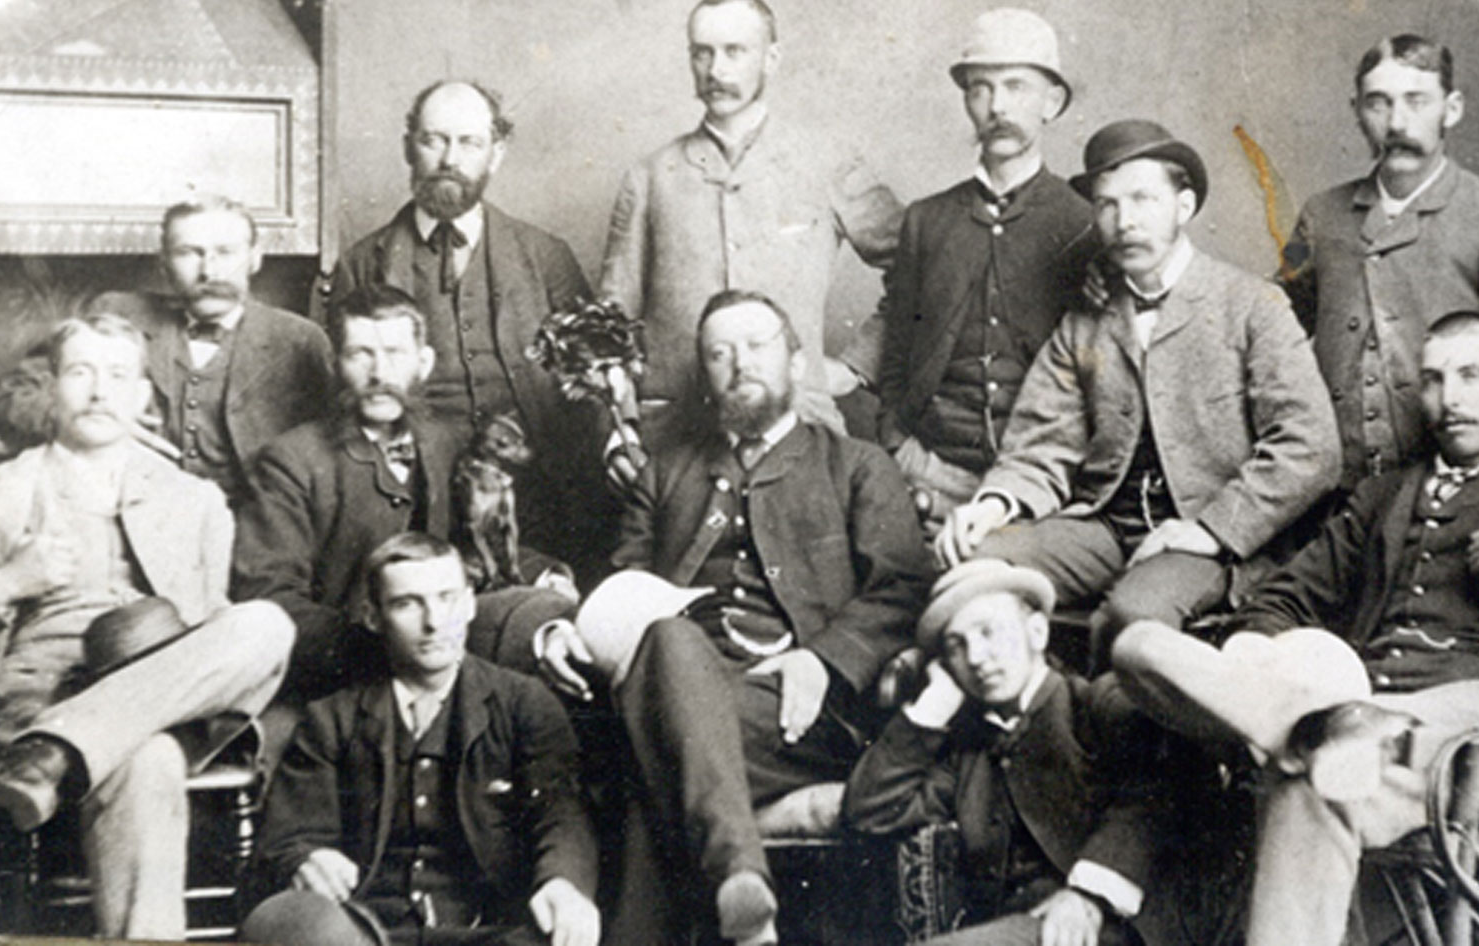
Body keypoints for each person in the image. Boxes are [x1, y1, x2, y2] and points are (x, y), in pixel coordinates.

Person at [1110, 313, 1479, 946]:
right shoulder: (1384, 496)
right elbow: (1288, 593)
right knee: (1137, 645)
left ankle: (1319, 732)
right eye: (1432, 380)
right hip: (1357, 708)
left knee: (1313, 781)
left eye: (1470, 376)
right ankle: (1313, 725)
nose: (1449, 398)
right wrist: (1254, 659)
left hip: (1475, 717)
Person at [534, 290, 930, 944]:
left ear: (797, 364)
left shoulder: (856, 465)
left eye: (756, 346)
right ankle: (737, 876)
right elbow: (624, 589)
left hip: (797, 711)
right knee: (667, 639)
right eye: (719, 354)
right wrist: (572, 628)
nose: (739, 364)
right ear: (705, 375)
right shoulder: (665, 473)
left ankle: (726, 883)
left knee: (644, 766)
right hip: (678, 678)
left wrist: (821, 659)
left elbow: (902, 590)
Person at [935, 119, 1340, 664]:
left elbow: (1310, 446)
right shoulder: (1087, 319)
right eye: (1107, 205)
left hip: (1208, 535)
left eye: (1143, 199)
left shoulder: (1251, 306)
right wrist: (995, 500)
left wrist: (1210, 530)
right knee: (974, 563)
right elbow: (1042, 442)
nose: (1125, 222)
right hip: (1103, 523)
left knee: (1130, 619)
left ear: (1185, 205)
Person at [0, 314, 294, 938]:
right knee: (150, 757)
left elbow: (215, 626)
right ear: (50, 387)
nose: (100, 391)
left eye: (118, 376)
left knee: (267, 624)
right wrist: (5, 580)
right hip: (40, 693)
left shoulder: (196, 501)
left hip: (162, 685)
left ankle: (56, 751)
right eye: (81, 372)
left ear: (141, 395)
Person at [1279, 34, 1479, 565]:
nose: (1396, 124)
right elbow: (1267, 329)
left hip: (1452, 507)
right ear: (1356, 112)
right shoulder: (1323, 217)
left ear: (1451, 110)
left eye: (1417, 101)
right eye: (1378, 102)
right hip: (1330, 508)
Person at [241, 533, 599, 946]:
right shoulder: (331, 717)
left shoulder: (524, 703)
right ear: (373, 616)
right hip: (367, 932)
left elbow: (561, 812)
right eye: (406, 603)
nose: (433, 622)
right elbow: (292, 835)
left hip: (489, 932)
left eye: (446, 598)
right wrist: (306, 858)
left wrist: (563, 882)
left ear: (468, 604)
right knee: (294, 925)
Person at [233, 286, 574, 703]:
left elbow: (479, 542)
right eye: (361, 354)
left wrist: (544, 573)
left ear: (423, 363)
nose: (379, 374)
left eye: (395, 353)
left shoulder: (450, 443)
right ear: (335, 363)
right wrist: (386, 643)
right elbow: (268, 597)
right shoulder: (290, 461)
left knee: (553, 627)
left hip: (444, 642)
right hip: (349, 671)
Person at [598, 0, 903, 436]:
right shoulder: (649, 177)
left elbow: (923, 268)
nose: (716, 70)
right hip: (674, 438)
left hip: (799, 428)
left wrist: (859, 366)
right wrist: (621, 428)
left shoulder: (827, 163)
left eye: (734, 52)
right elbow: (609, 324)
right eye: (702, 53)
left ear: (771, 58)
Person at [330, 80, 606, 570]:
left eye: (469, 143)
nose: (449, 159)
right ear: (407, 147)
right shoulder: (360, 265)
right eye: (433, 140)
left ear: (495, 154)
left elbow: (590, 391)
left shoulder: (546, 258)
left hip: (537, 496)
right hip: (413, 498)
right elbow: (342, 402)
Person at [844, 559, 1168, 946]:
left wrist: (1089, 895)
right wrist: (933, 706)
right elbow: (869, 812)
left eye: (988, 632)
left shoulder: (1097, 705)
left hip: (1116, 926)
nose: (977, 657)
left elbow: (1157, 794)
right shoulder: (968, 751)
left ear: (1036, 632)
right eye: (956, 646)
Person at [877, 8, 1099, 532]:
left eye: (1016, 86)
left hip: (1047, 489)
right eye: (980, 89)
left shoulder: (1086, 222)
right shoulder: (927, 221)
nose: (997, 106)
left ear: (1052, 101)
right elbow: (896, 344)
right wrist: (896, 442)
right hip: (927, 476)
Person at [0, 195, 333, 508]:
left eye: (225, 252)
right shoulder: (117, 314)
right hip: (131, 522)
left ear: (255, 258)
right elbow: (9, 393)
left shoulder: (299, 340)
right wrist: (85, 421)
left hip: (256, 536)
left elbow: (338, 447)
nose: (209, 271)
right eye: (188, 253)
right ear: (164, 263)